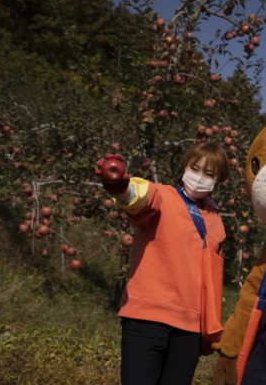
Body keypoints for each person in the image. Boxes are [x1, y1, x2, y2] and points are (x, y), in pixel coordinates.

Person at [97, 142, 230, 385]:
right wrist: (119, 187)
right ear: (185, 166)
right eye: (195, 168)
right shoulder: (163, 196)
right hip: (147, 318)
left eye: (209, 174)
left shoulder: (215, 217)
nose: (199, 177)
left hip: (189, 327)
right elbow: (137, 198)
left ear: (219, 179)